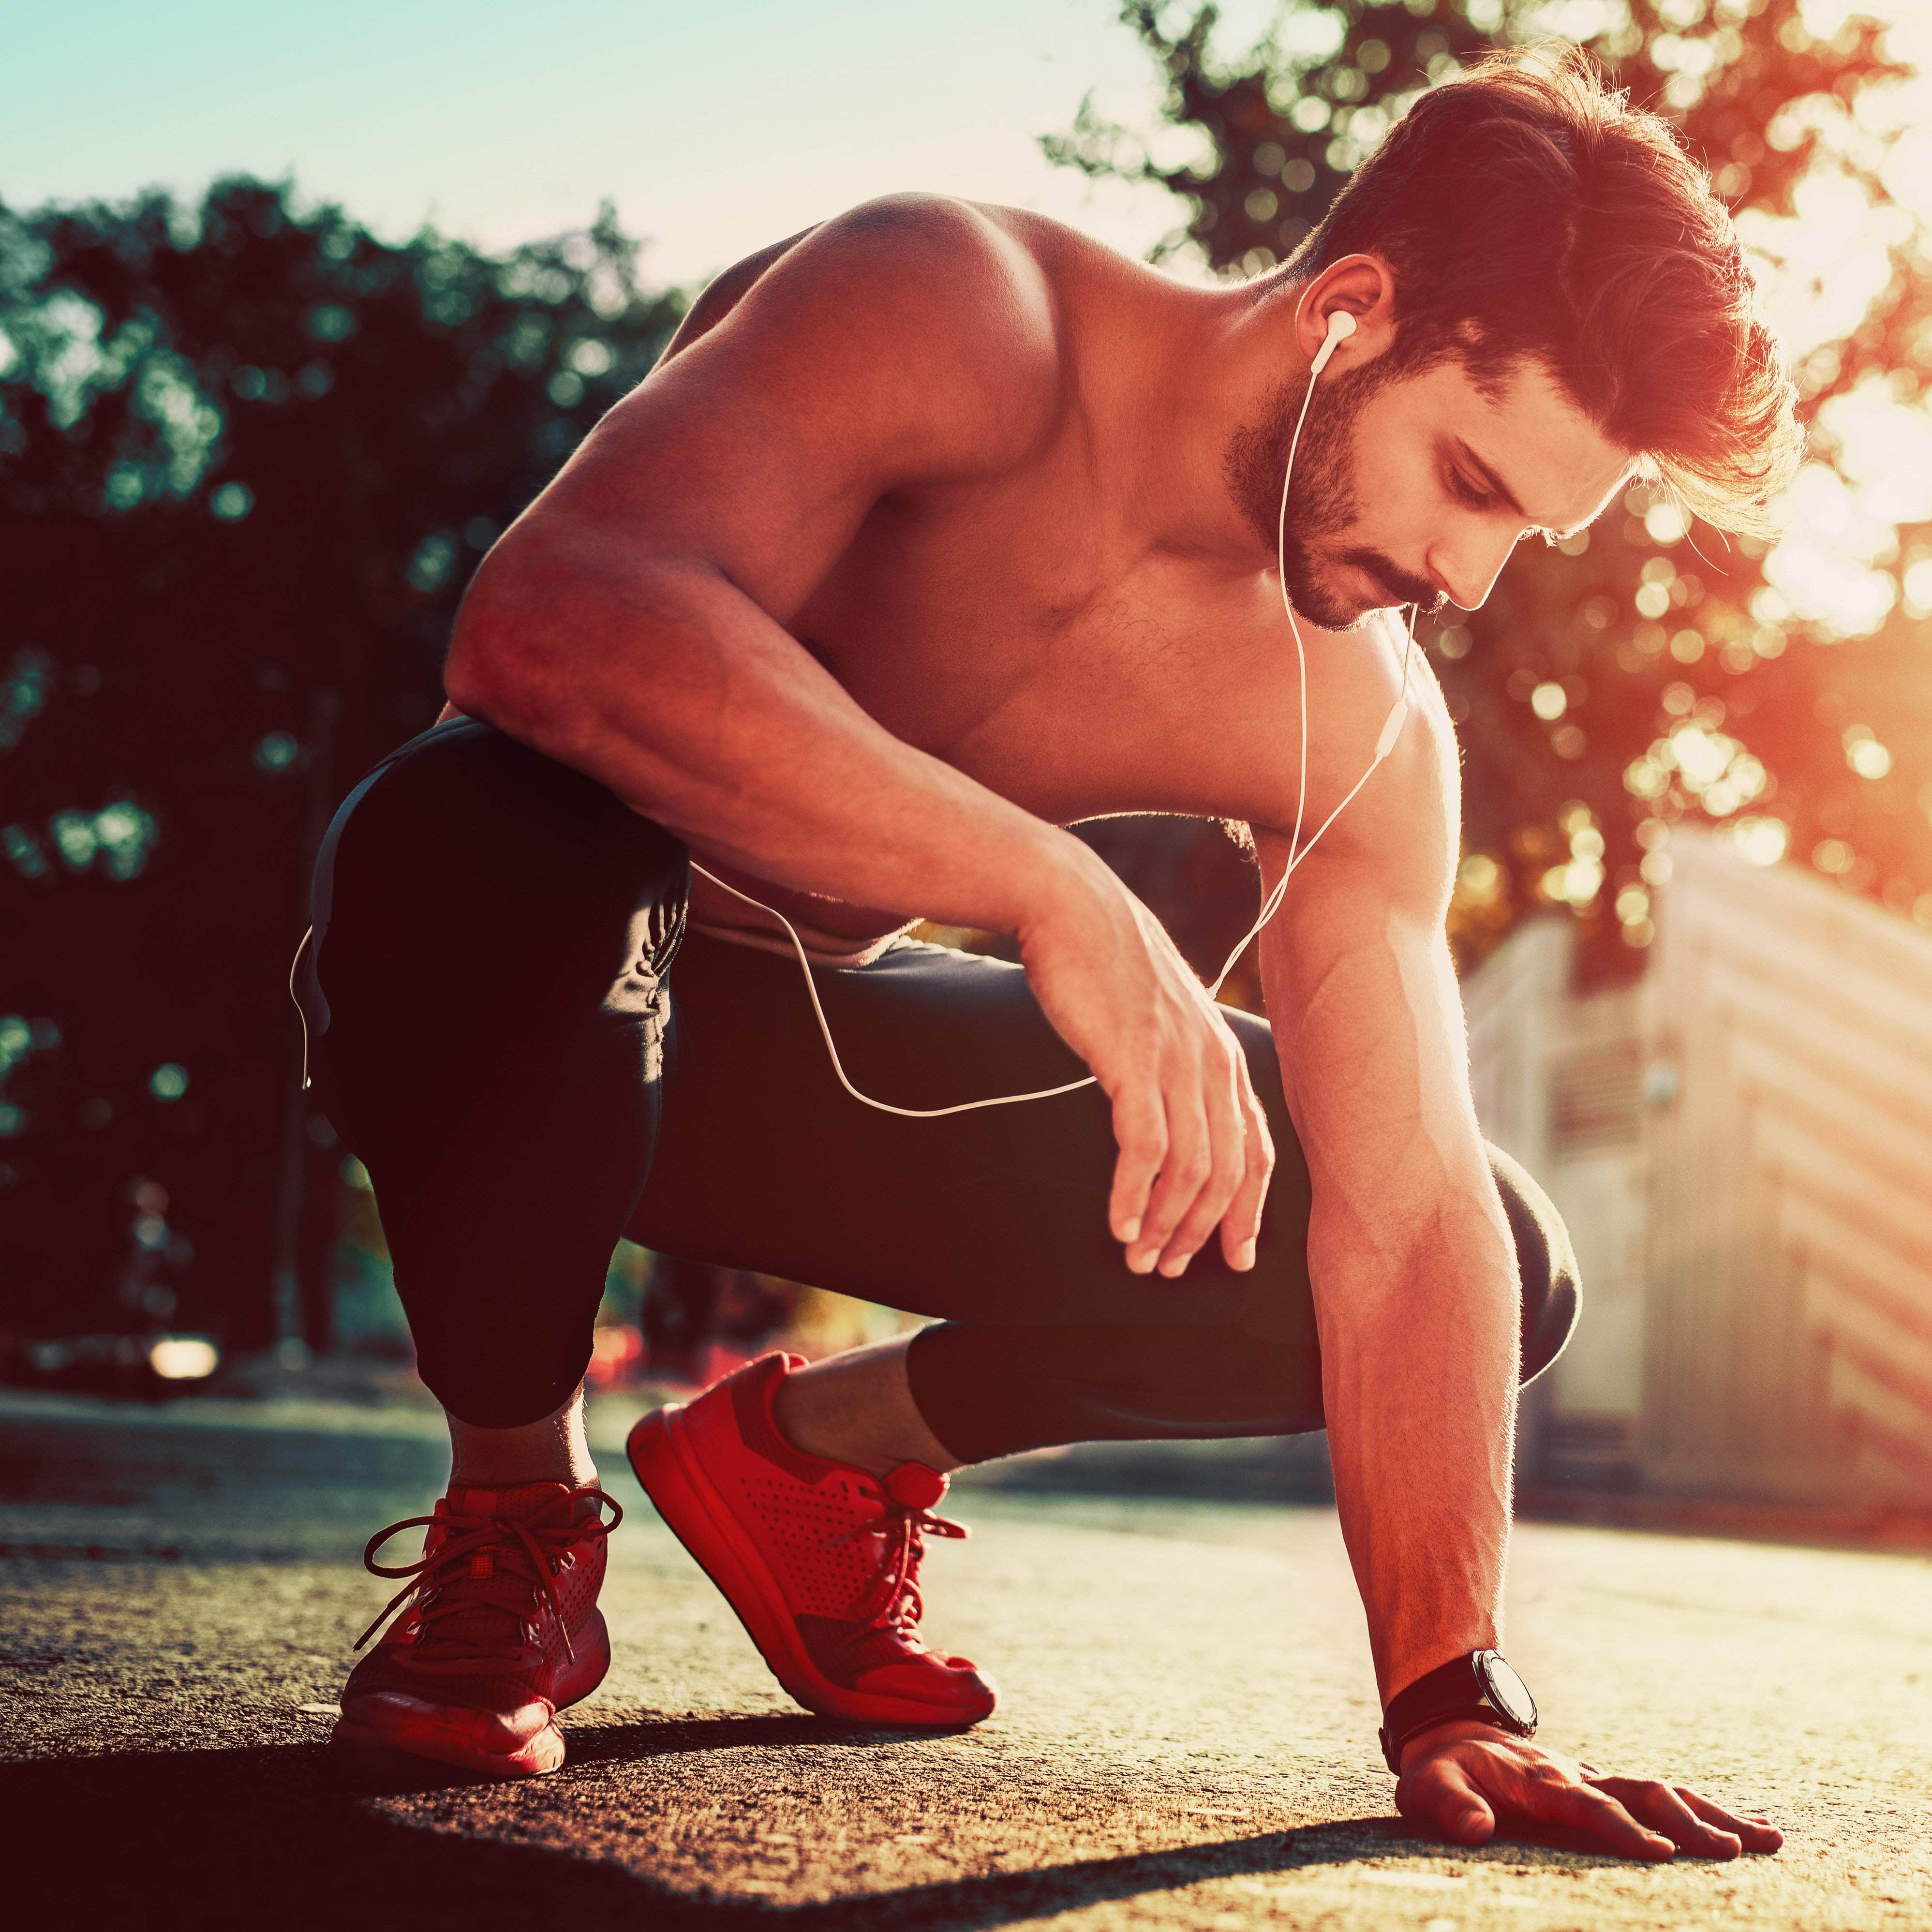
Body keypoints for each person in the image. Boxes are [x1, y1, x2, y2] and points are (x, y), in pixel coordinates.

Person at [301, 47, 1798, 1857]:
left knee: (1500, 1250)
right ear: (1349, 312)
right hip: (538, 999)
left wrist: (1453, 1686)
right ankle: (518, 1515)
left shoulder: (1360, 722)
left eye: (1522, 535)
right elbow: (555, 624)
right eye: (1467, 482)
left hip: (805, 1089)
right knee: (461, 832)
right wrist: (1047, 885)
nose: (1468, 579)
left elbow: (1400, 1220)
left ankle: (802, 1459)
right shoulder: (957, 307)